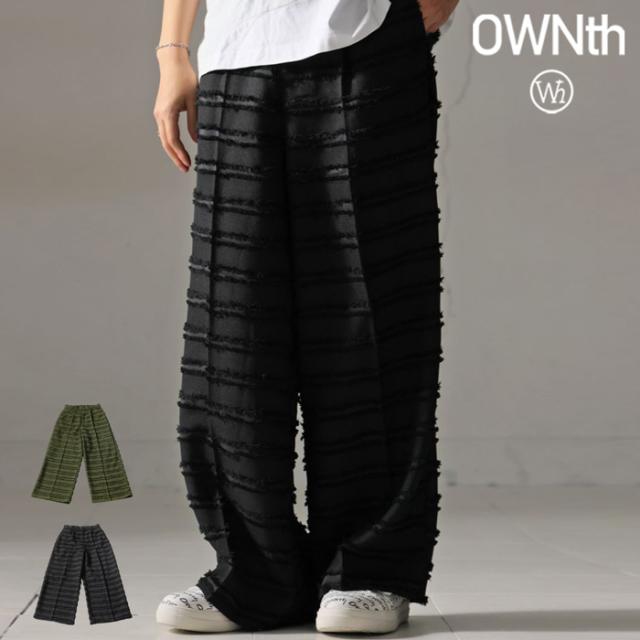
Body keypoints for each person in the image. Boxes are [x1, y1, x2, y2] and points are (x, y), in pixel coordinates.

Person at [153, 0, 458, 634]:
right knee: (231, 323)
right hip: (238, 50)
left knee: (371, 312)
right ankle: (252, 573)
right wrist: (172, 51)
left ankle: (370, 566)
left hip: (369, 39)